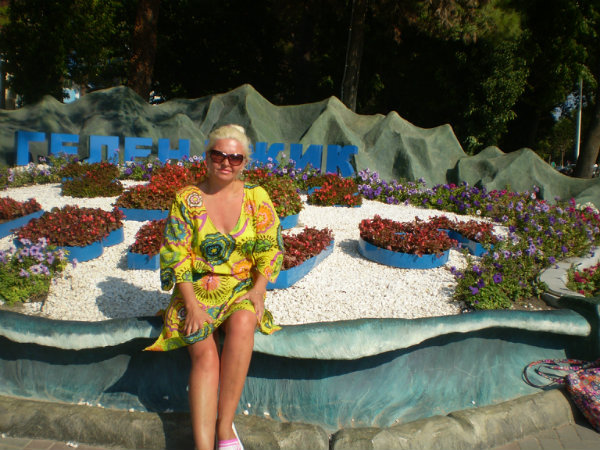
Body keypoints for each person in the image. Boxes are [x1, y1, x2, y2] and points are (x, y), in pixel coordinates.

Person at [145, 124, 284, 450]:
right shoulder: (187, 199)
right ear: (206, 157)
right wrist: (191, 306)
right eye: (218, 154)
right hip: (195, 290)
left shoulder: (256, 197)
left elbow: (271, 247)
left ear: (244, 163)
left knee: (245, 321)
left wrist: (258, 289)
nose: (226, 162)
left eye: (235, 157)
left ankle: (224, 428)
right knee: (205, 357)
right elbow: (176, 254)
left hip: (239, 287)